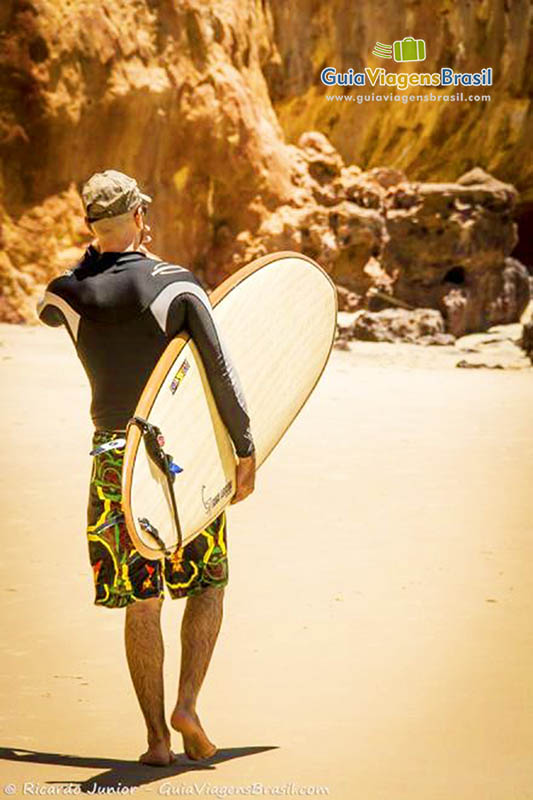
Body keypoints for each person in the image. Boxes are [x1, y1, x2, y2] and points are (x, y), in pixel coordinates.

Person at [37, 170, 256, 766]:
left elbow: (54, 303)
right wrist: (244, 448)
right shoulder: (176, 286)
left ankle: (157, 739)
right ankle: (188, 704)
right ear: (139, 216)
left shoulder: (66, 293)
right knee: (208, 583)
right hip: (177, 458)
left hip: (114, 458)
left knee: (142, 600)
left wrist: (96, 257)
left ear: (91, 224)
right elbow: (220, 370)